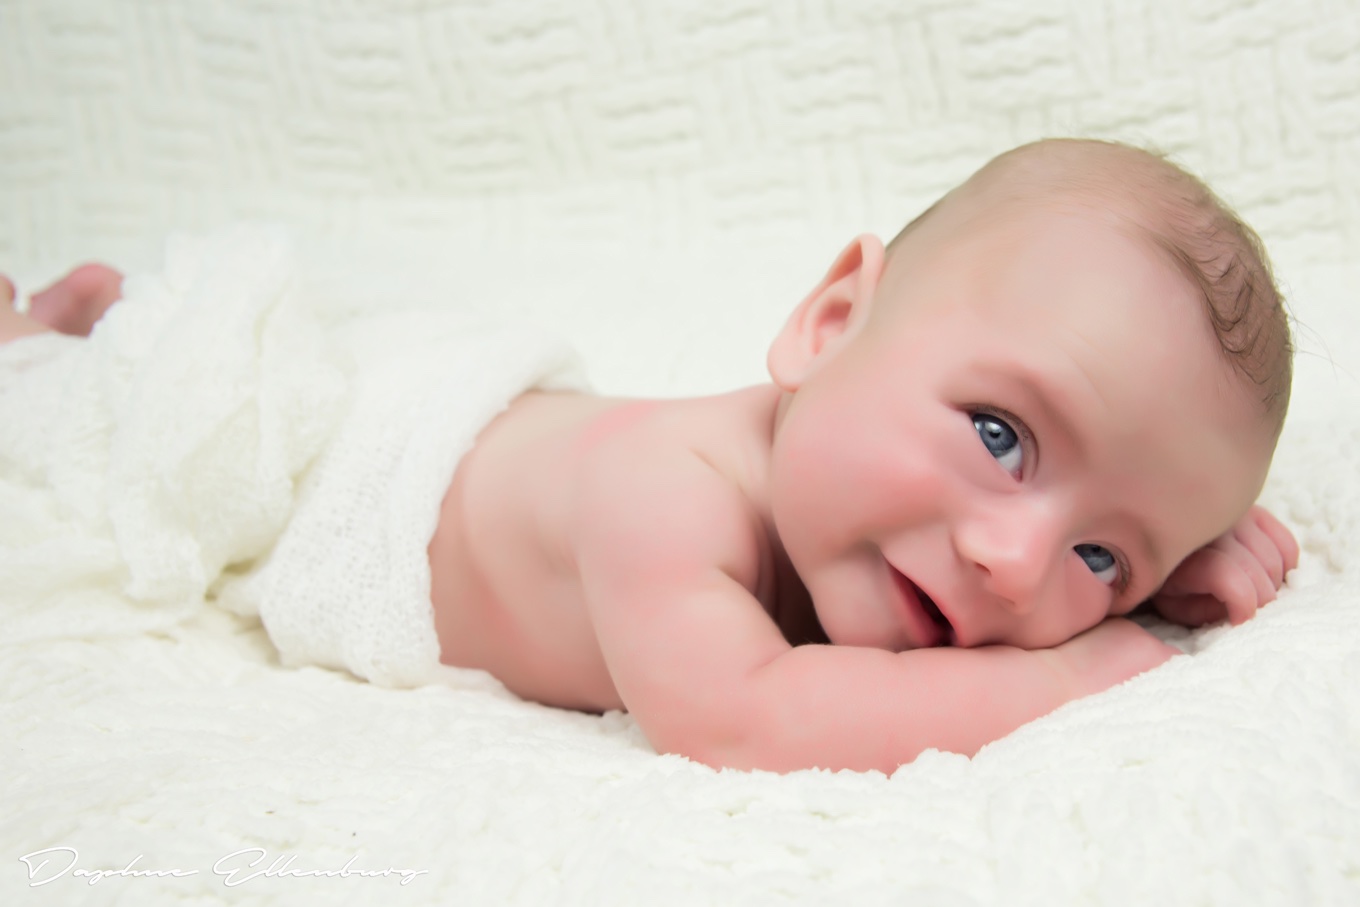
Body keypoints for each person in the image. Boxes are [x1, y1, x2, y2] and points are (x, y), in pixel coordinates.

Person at [0, 139, 1299, 774]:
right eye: (1003, 437)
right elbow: (745, 716)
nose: (1015, 566)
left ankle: (90, 314)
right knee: (99, 420)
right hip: (343, 457)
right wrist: (1088, 663)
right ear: (831, 323)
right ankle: (52, 331)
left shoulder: (890, 528)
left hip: (452, 419)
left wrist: (1159, 560)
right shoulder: (658, 500)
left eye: (1098, 554)